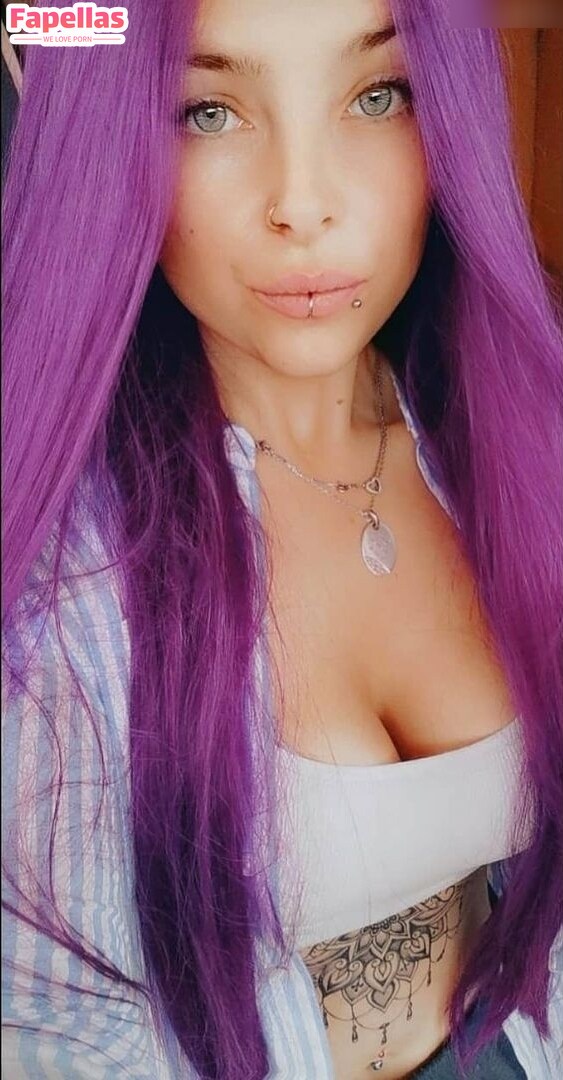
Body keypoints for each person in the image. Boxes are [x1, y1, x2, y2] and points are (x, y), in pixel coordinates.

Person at [2, 0, 562, 1078]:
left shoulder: (518, 449)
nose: (303, 204)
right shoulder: (62, 587)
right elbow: (54, 1034)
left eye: (378, 94)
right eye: (206, 112)